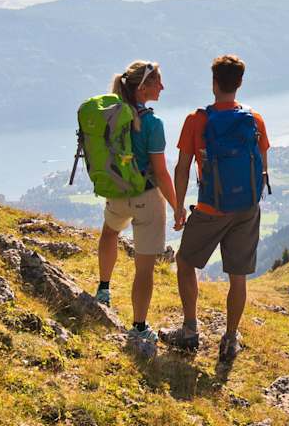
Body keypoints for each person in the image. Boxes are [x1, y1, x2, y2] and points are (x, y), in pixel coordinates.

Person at [163, 54, 270, 362]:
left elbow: (182, 167)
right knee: (238, 276)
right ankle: (231, 339)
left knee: (185, 263)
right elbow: (262, 167)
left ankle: (190, 330)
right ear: (239, 83)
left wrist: (180, 207)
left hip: (211, 208)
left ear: (214, 83)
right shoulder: (255, 119)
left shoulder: (197, 120)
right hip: (246, 208)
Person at [95, 60, 177, 356]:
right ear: (143, 87)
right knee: (144, 267)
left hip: (117, 190)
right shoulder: (153, 124)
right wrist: (177, 206)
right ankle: (139, 327)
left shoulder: (112, 115)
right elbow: (160, 172)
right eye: (158, 82)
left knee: (109, 233)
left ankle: (103, 290)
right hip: (146, 197)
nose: (162, 87)